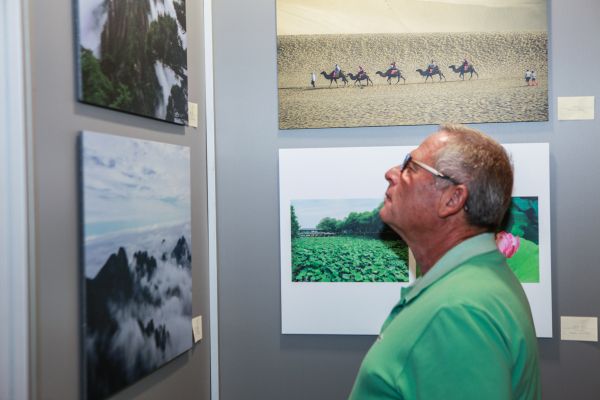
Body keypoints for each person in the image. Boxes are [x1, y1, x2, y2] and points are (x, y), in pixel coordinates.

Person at [349, 124, 540, 400]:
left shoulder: (458, 312)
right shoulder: (479, 279)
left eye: (410, 166)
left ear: (452, 199)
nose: (391, 173)